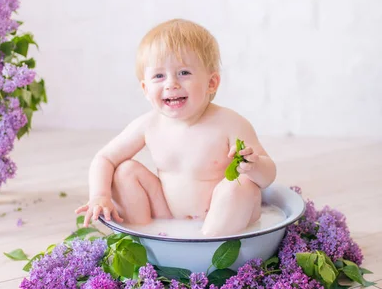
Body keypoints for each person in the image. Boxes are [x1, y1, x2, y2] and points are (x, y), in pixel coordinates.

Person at [75, 19, 276, 236]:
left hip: (226, 218)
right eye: (159, 76)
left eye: (184, 73)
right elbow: (104, 158)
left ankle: (209, 246)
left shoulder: (230, 123)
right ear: (145, 88)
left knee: (241, 185)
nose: (171, 84)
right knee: (124, 172)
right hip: (169, 214)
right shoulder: (149, 124)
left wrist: (253, 167)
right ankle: (143, 235)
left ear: (211, 83)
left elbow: (268, 177)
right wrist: (100, 194)